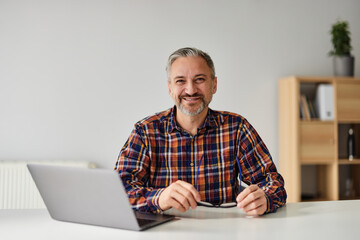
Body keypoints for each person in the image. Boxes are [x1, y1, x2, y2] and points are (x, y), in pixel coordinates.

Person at [115, 47, 286, 216]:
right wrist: (159, 198)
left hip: (224, 230)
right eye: (180, 81)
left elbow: (272, 183)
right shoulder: (145, 131)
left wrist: (265, 198)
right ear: (170, 88)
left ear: (214, 85)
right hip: (164, 232)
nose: (190, 90)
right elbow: (118, 191)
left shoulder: (237, 128)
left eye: (199, 79)